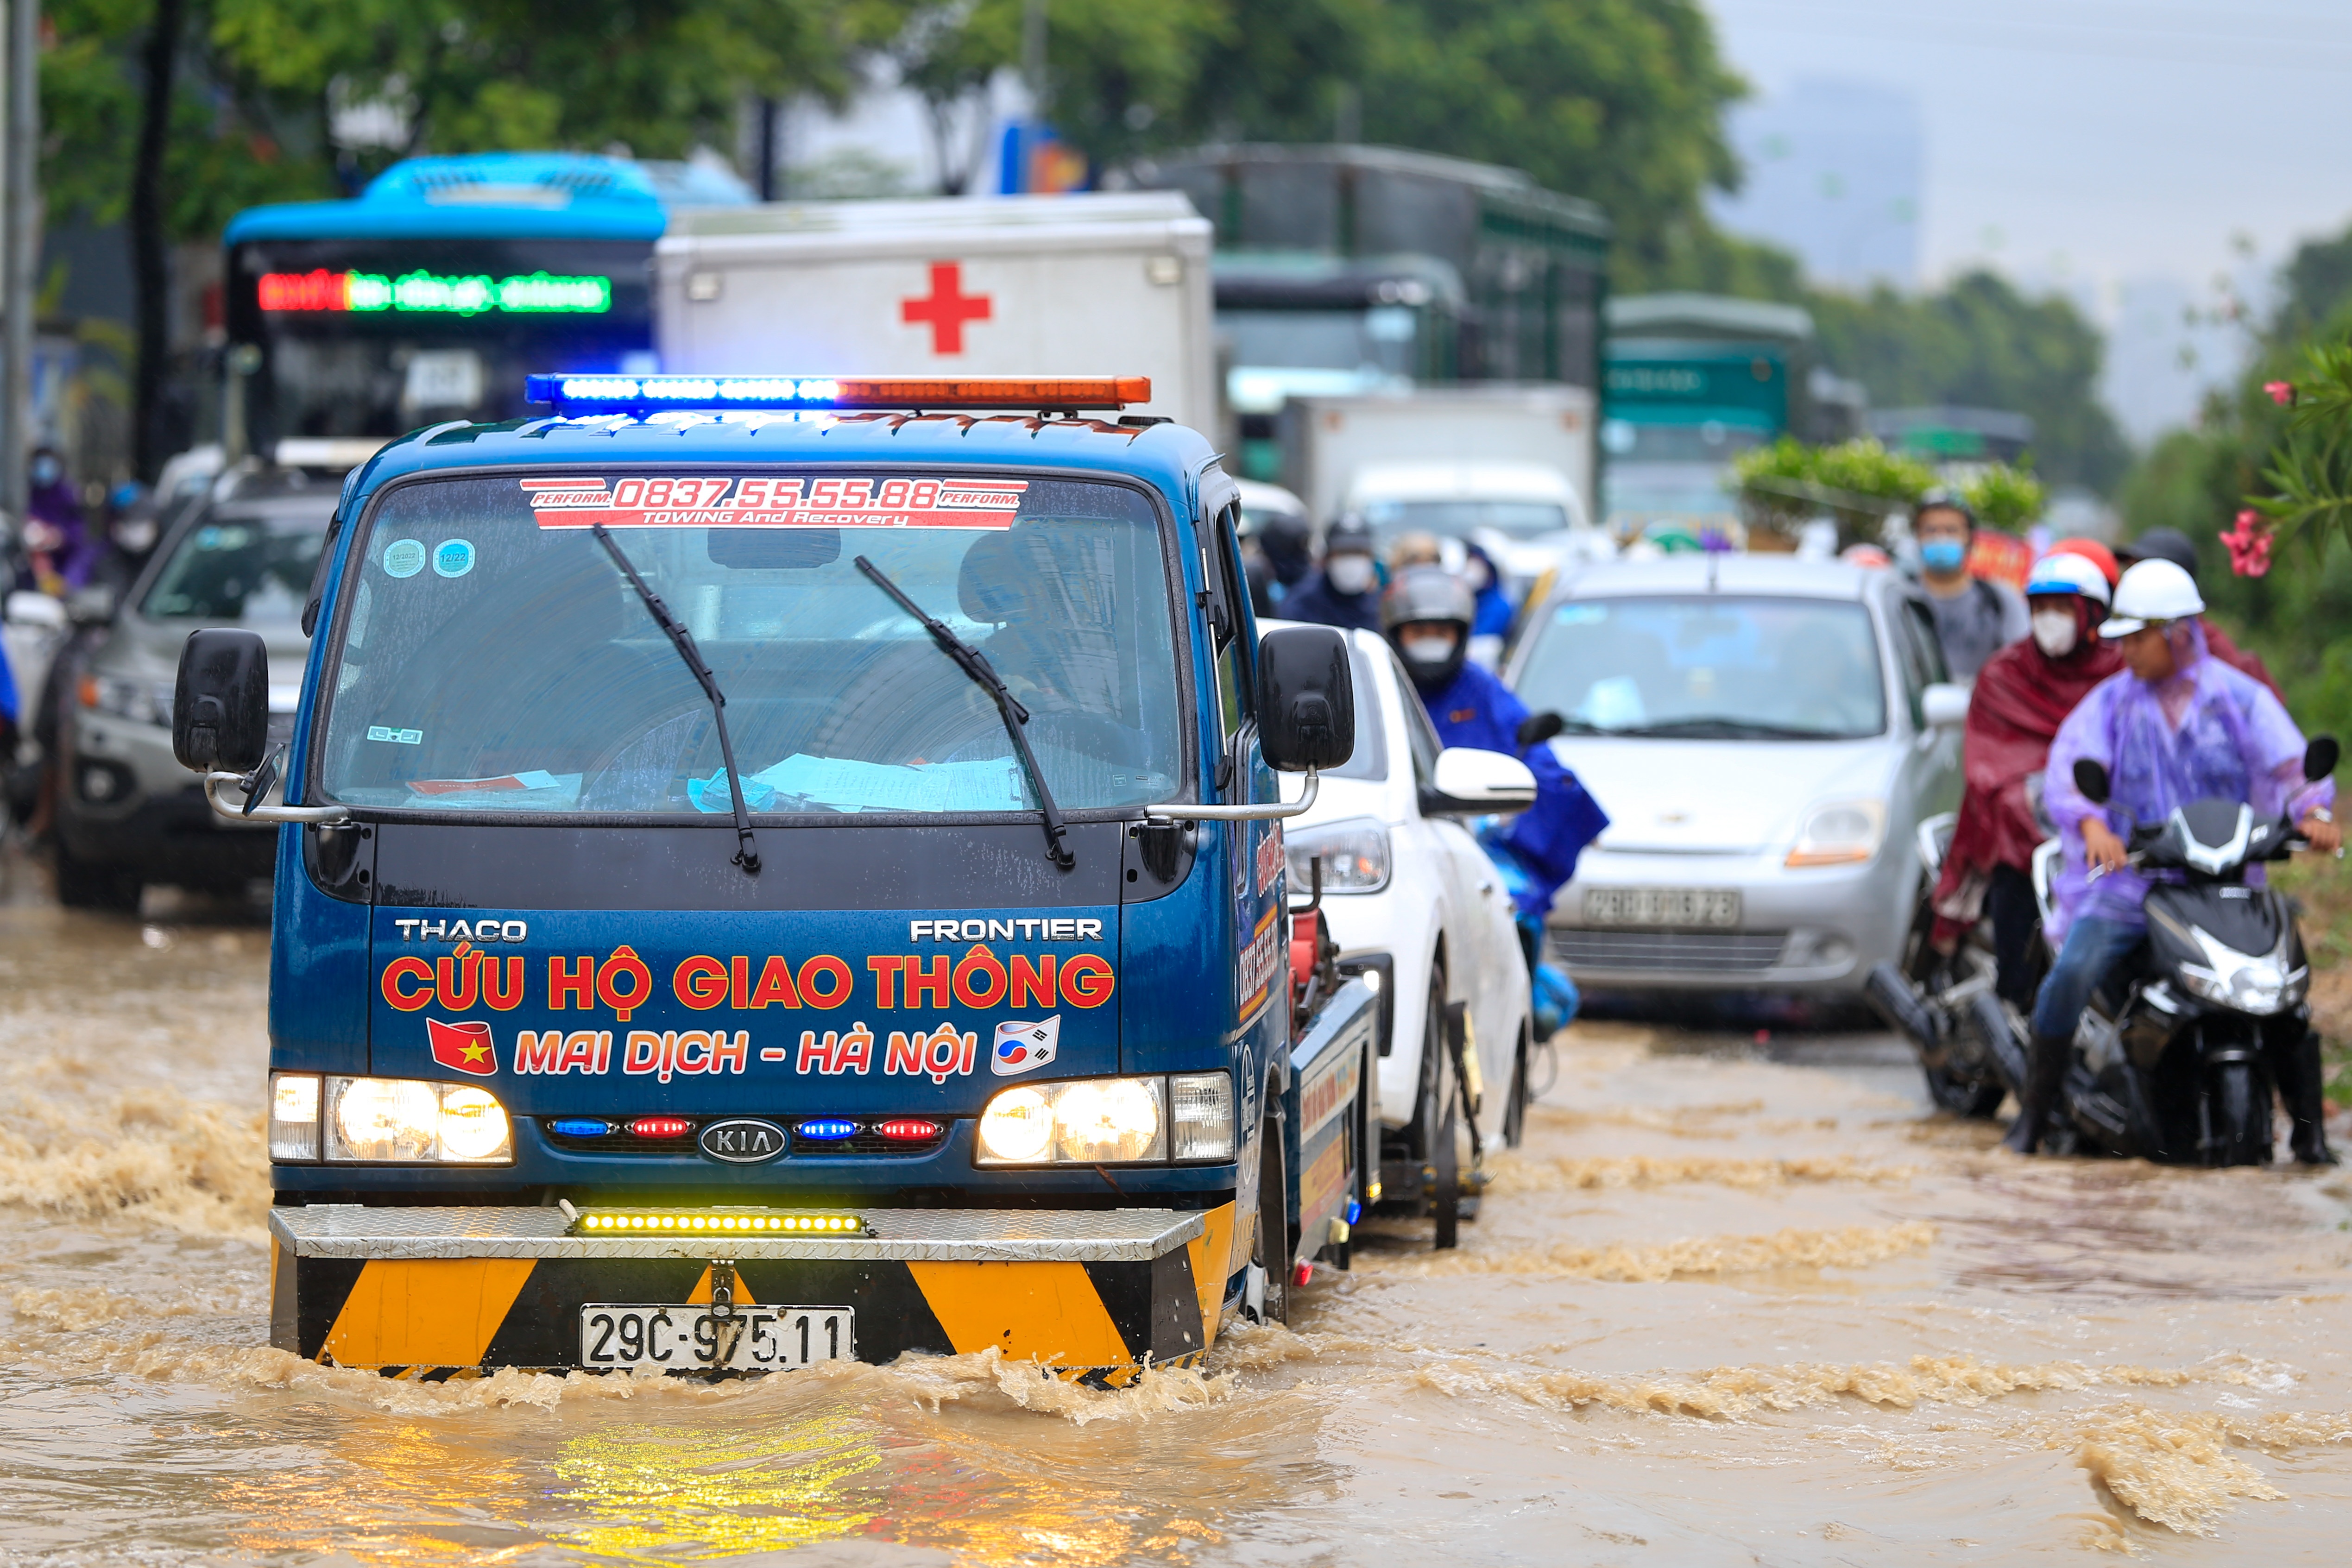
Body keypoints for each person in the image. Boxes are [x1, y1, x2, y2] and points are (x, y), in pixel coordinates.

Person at [2006, 559, 2341, 1158]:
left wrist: (2312, 814)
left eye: (2138, 638)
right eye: (2124, 638)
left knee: (2286, 994)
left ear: (2178, 632)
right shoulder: (2110, 704)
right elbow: (2071, 774)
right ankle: (2033, 1115)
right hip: (2131, 884)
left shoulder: (2240, 699)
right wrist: (2092, 825)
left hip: (2222, 885)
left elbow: (2291, 768)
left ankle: (2311, 1138)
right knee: (2070, 975)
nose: (2127, 652)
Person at [1383, 567, 1611, 1033]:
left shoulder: (1482, 691)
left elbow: (1539, 762)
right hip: (1392, 846)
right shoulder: (1374, 683)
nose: (1430, 641)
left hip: (1477, 848)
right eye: (1418, 631)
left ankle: (1517, 1019)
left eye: (1441, 632)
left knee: (1517, 909)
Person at [1928, 551, 2123, 1008]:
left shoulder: (2121, 673)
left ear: (2092, 613)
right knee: (2013, 849)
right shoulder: (2005, 674)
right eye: (2039, 608)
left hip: (2113, 828)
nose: (2048, 620)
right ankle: (2013, 993)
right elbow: (1989, 761)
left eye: (2062, 607)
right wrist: (2031, 800)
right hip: (2030, 832)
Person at [2117, 526, 2282, 699]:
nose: (2128, 582)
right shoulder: (2128, 642)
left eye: (2140, 573)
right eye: (2128, 571)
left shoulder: (2211, 651)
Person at [1911, 489, 2028, 682]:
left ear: (1970, 538)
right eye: (1931, 530)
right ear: (1917, 537)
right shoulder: (1901, 597)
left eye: (1951, 530)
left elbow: (2022, 665)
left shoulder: (1998, 600)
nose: (1941, 538)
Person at [1282, 516, 1383, 633]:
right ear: (1327, 557)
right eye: (1343, 552)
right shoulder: (1302, 602)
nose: (1350, 561)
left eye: (1358, 552)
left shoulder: (1379, 605)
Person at [18, 447, 96, 596]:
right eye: (39, 466)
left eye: (48, 466)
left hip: (69, 564)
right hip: (41, 568)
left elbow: (79, 535)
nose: (43, 471)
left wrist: (58, 537)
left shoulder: (69, 496)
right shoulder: (34, 493)